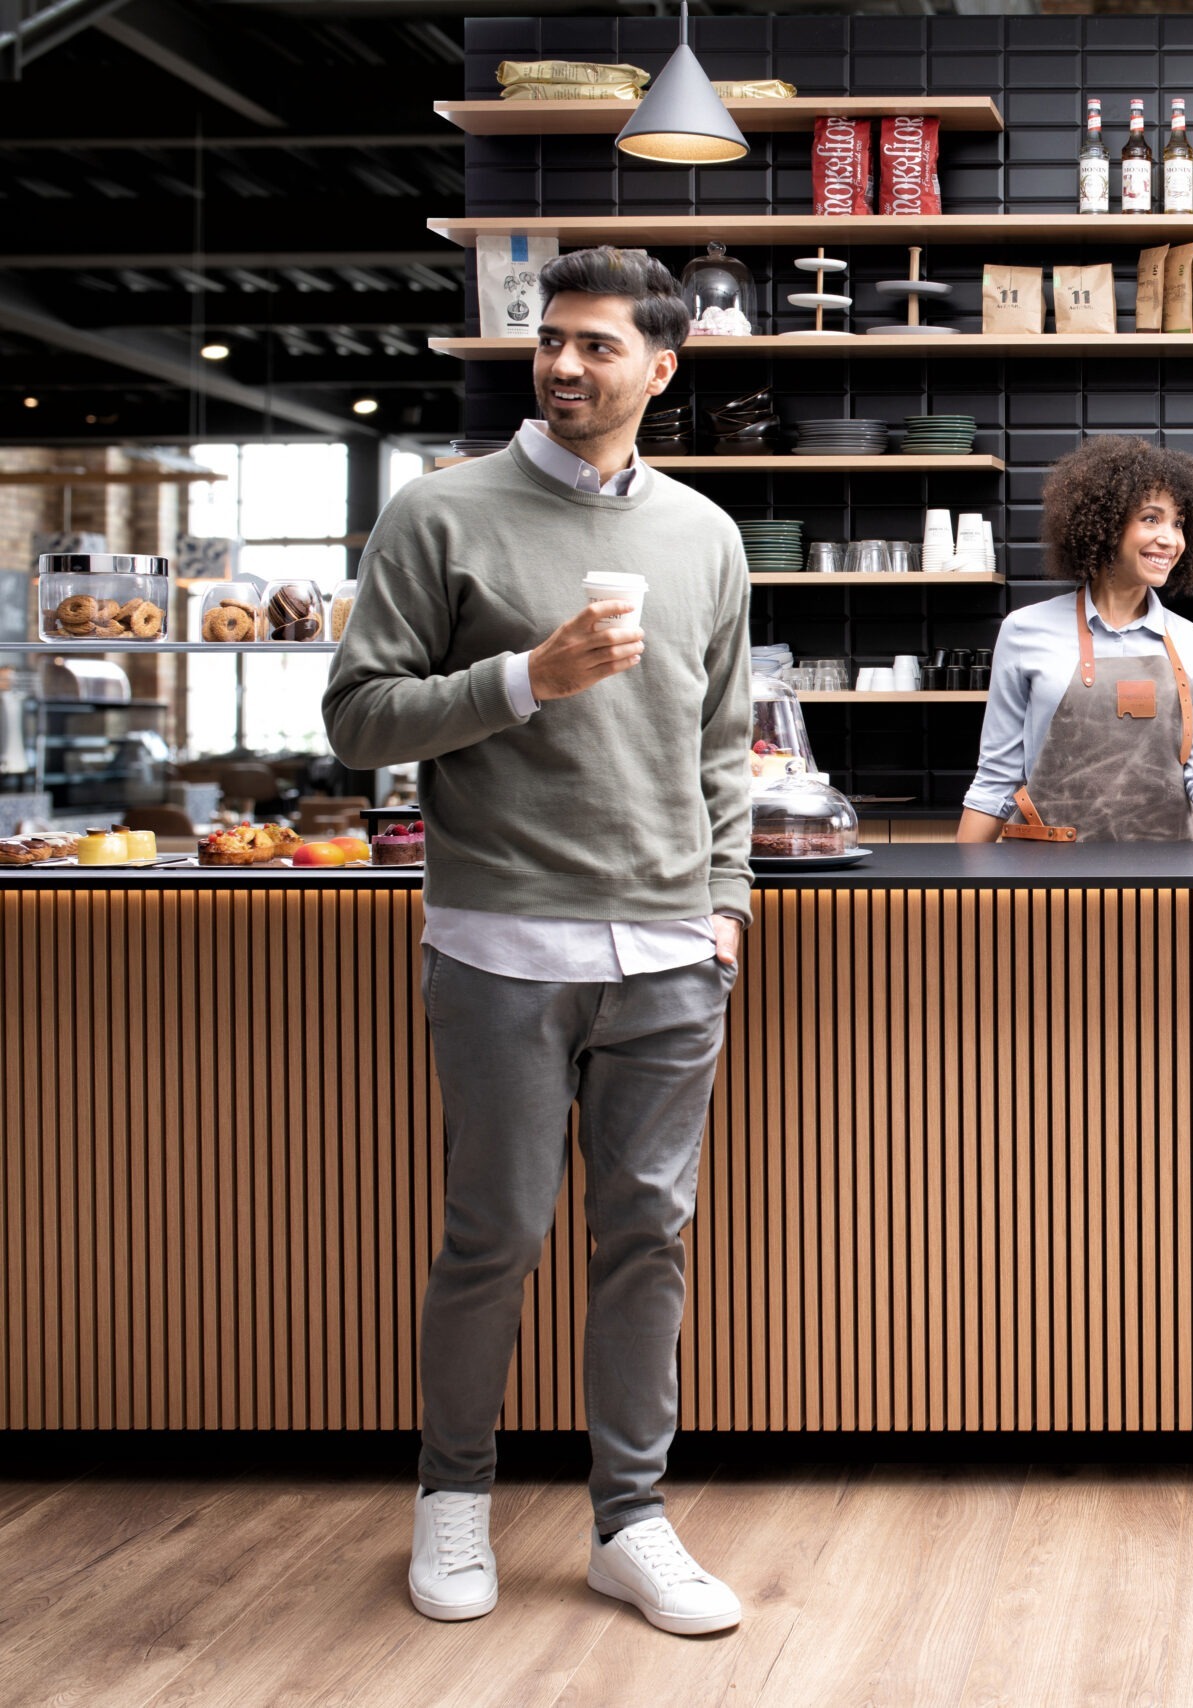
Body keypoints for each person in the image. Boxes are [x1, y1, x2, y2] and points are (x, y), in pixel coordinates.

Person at [323, 246, 751, 1637]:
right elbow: (359, 717)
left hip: (671, 957)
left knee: (646, 1242)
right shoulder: (438, 515)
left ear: (661, 369)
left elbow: (723, 744)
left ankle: (631, 1520)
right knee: (493, 1235)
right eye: (549, 340)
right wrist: (526, 678)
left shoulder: (707, 536)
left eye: (596, 346)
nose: (563, 365)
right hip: (501, 946)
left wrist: (729, 904)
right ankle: (452, 1499)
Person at [956, 435, 1193, 842]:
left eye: (1179, 523)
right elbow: (996, 781)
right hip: (1044, 878)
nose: (1171, 539)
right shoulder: (1024, 631)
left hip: (1170, 878)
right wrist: (957, 889)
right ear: (1105, 524)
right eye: (1151, 519)